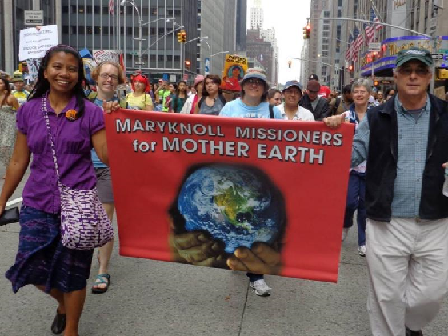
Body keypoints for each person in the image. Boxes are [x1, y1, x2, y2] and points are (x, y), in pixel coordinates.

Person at [324, 47, 448, 336]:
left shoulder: (445, 114)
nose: (413, 76)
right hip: (387, 222)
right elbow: (351, 155)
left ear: (429, 75)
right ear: (396, 76)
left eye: (420, 71)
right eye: (407, 70)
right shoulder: (377, 117)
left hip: (437, 221)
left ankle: (412, 326)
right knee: (387, 297)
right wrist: (332, 137)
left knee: (429, 295)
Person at [0, 44, 111, 336]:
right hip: (37, 201)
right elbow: (18, 160)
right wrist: (1, 201)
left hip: (80, 203)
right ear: (46, 72)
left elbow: (108, 156)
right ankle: (62, 305)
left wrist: (116, 122)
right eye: (58, 67)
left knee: (74, 274)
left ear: (79, 75)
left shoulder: (91, 112)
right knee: (30, 265)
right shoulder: (28, 111)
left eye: (72, 68)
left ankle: (71, 328)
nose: (65, 73)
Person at [89, 61, 125, 294]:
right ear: (96, 77)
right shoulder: (82, 104)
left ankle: (103, 269)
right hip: (82, 169)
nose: (109, 79)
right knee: (81, 219)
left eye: (113, 76)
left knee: (103, 222)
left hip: (110, 169)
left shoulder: (124, 108)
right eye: (105, 75)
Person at [339, 79, 372, 257]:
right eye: (356, 91)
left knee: (365, 205)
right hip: (350, 167)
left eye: (363, 91)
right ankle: (346, 223)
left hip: (370, 167)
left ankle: (363, 241)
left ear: (369, 94)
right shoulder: (345, 116)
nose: (359, 94)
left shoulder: (376, 115)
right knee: (349, 202)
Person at [0, 75, 19, 179]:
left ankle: (9, 169)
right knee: (1, 147)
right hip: (0, 124)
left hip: (9, 124)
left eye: (1, 83)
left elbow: (19, 111)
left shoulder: (11, 98)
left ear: (5, 85)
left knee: (5, 146)